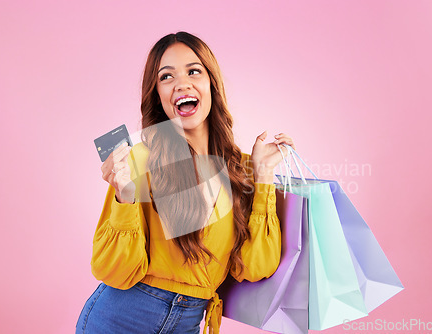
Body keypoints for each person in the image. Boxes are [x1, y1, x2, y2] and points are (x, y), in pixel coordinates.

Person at [76, 31, 295, 334]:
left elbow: (256, 266)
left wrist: (264, 175)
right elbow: (114, 271)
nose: (182, 83)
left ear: (211, 84)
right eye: (166, 77)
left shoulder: (239, 168)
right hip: (120, 319)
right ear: (158, 94)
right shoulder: (139, 158)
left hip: (191, 322)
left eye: (194, 71)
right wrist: (125, 196)